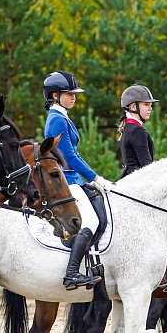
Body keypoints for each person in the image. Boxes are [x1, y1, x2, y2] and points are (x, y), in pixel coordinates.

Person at [43, 70, 108, 290]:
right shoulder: (57, 120)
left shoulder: (62, 117)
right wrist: (95, 177)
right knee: (90, 221)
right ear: (54, 96)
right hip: (67, 180)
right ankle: (71, 274)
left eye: (74, 93)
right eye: (68, 93)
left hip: (74, 178)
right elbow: (70, 157)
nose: (73, 97)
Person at [118, 84, 158, 177]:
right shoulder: (137, 130)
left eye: (151, 105)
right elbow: (147, 165)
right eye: (146, 104)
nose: (150, 108)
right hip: (138, 181)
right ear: (133, 107)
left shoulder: (129, 126)